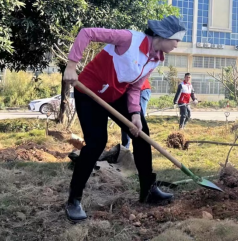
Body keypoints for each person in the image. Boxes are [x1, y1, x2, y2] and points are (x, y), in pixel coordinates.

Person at [63, 16, 187, 222]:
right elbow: (87, 33)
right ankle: (73, 200)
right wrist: (71, 65)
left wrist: (136, 114)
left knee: (141, 134)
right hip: (89, 92)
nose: (177, 44)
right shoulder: (128, 38)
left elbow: (136, 87)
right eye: (176, 39)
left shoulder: (155, 58)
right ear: (164, 35)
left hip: (116, 95)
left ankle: (148, 190)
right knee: (96, 143)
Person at [121, 77, 151, 149]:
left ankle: (139, 154)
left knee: (138, 123)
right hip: (126, 89)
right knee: (126, 121)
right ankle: (125, 149)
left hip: (142, 89)